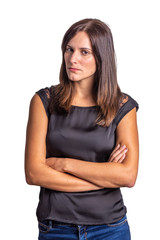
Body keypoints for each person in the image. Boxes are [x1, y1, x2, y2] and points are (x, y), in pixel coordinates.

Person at [25, 18, 139, 240]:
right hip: (56, 228)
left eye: (84, 52)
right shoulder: (43, 102)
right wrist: (104, 174)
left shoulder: (123, 107)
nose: (73, 59)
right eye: (69, 49)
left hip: (110, 229)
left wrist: (64, 164)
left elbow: (127, 176)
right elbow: (33, 172)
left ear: (101, 57)